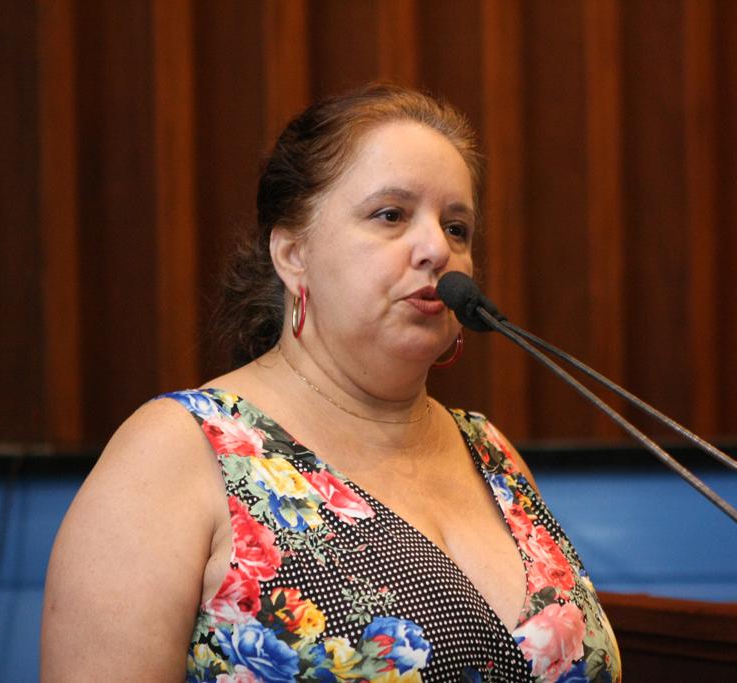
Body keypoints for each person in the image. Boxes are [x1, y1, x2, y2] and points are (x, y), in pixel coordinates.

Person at [41, 83, 621, 683]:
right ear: (293, 255)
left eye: (457, 228)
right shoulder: (176, 451)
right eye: (391, 215)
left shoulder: (491, 452)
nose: (436, 249)